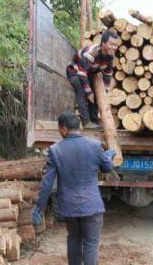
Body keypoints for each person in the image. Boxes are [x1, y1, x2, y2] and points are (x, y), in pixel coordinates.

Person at [32, 111, 115, 265]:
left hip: (70, 208)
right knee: (90, 245)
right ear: (79, 127)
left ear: (63, 129)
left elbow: (47, 183)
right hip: (92, 206)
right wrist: (109, 156)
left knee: (74, 240)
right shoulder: (95, 146)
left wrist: (39, 208)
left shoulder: (55, 150)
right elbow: (107, 168)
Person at [66, 31, 120, 129]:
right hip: (75, 71)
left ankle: (94, 121)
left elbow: (108, 73)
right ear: (103, 43)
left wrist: (106, 90)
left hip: (88, 73)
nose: (114, 47)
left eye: (116, 45)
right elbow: (82, 73)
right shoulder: (90, 53)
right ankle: (86, 122)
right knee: (82, 92)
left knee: (94, 94)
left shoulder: (110, 56)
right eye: (111, 44)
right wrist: (88, 91)